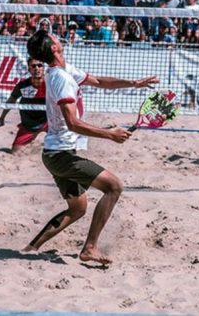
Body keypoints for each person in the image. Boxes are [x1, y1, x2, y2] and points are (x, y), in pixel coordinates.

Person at [23, 30, 159, 264]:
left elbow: (99, 82)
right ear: (54, 48)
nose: (57, 37)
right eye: (54, 37)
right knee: (114, 187)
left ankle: (30, 248)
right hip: (61, 155)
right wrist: (110, 134)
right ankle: (90, 248)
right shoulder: (61, 79)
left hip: (56, 153)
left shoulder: (64, 71)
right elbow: (73, 123)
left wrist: (134, 84)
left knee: (78, 208)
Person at [0, 58, 48, 153]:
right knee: (15, 151)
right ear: (29, 69)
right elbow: (11, 100)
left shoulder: (51, 84)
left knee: (63, 146)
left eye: (39, 65)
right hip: (29, 124)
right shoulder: (23, 85)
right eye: (33, 66)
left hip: (49, 122)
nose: (37, 68)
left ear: (43, 68)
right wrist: (2, 118)